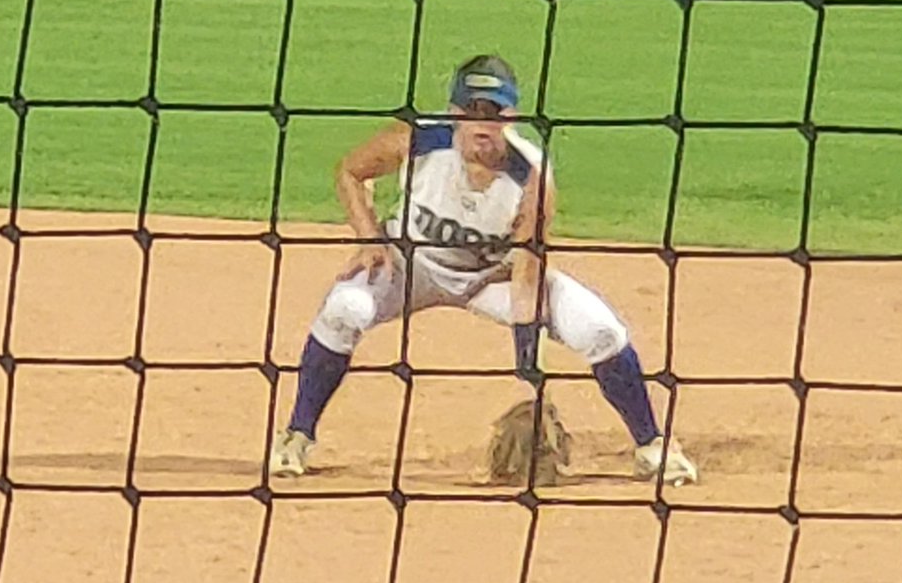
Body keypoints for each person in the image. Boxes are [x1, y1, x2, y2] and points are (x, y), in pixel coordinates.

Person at [269, 54, 698, 486]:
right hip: (409, 264)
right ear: (454, 112)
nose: (482, 123)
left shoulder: (531, 176)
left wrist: (527, 360)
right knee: (345, 309)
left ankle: (651, 445)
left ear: (510, 116)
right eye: (471, 111)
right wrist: (368, 237)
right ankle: (296, 436)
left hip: (490, 278)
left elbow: (527, 269)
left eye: (493, 113)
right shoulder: (420, 140)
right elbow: (350, 170)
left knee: (600, 330)